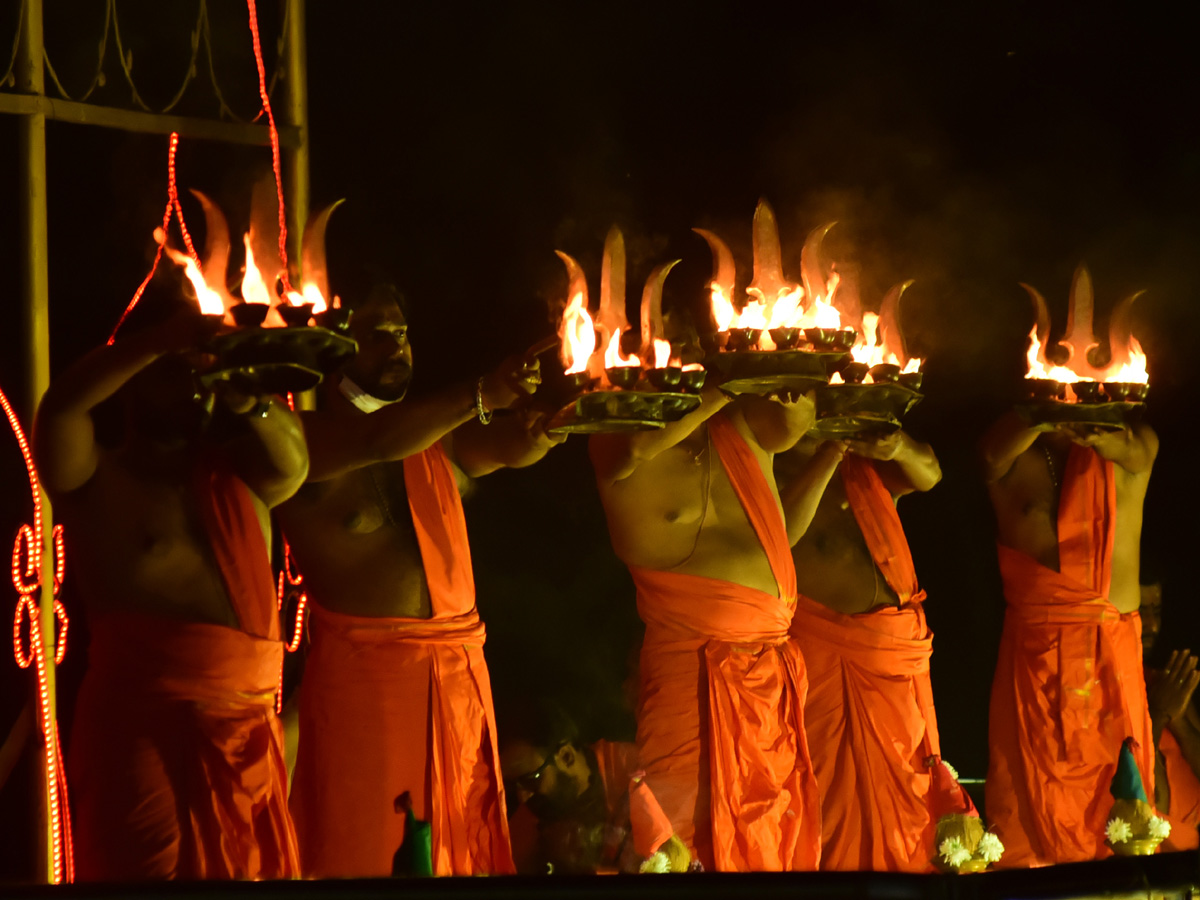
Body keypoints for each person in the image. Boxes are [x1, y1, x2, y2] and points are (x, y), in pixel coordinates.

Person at [277, 282, 562, 878]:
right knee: (370, 858)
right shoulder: (304, 444)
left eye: (402, 332)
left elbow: (509, 446)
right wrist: (483, 391)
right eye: (376, 333)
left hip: (455, 681)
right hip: (366, 691)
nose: (396, 345)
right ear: (331, 347)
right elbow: (379, 440)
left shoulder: (436, 435)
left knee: (459, 857)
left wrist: (549, 423)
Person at [34, 304, 307, 880]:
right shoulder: (94, 478)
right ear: (132, 380)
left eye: (197, 373)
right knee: (146, 880)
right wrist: (161, 339)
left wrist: (247, 397)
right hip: (143, 725)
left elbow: (294, 461)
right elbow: (61, 408)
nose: (191, 383)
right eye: (169, 370)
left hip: (247, 726)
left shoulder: (242, 476)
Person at [589, 379, 820, 872]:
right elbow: (634, 448)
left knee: (770, 825)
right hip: (687, 670)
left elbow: (789, 428)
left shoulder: (738, 426)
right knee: (682, 838)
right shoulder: (613, 426)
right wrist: (726, 387)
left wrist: (793, 382)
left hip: (768, 680)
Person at [980, 410, 1157, 867]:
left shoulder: (1130, 446)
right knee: (1025, 798)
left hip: (1110, 657)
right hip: (1035, 659)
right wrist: (1046, 412)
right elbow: (991, 455)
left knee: (1120, 807)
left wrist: (1090, 422)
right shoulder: (1013, 453)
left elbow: (1133, 447)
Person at [774, 428, 944, 872]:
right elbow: (774, 541)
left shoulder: (864, 464)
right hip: (827, 661)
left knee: (910, 794)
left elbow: (930, 475)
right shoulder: (771, 468)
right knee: (833, 808)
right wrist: (828, 452)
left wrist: (900, 446)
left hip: (893, 657)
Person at [498, 704, 684, 874]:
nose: (523, 796)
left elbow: (676, 855)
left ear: (566, 757)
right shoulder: (530, 818)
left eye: (532, 779)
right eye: (514, 786)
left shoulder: (628, 769)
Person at [1140, 565, 1200, 852]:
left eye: (1157, 611)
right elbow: (1134, 791)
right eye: (1141, 611)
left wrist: (1178, 722)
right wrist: (1157, 714)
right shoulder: (1104, 685)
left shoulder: (1165, 680)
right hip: (1146, 860)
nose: (1151, 625)